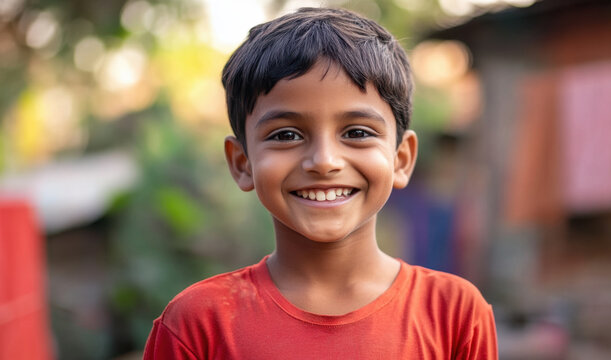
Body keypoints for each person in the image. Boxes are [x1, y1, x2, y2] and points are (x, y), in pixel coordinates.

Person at [143, 7, 497, 359]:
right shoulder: (198, 324)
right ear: (242, 163)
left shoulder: (456, 316)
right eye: (285, 135)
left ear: (400, 159)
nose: (325, 161)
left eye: (357, 132)